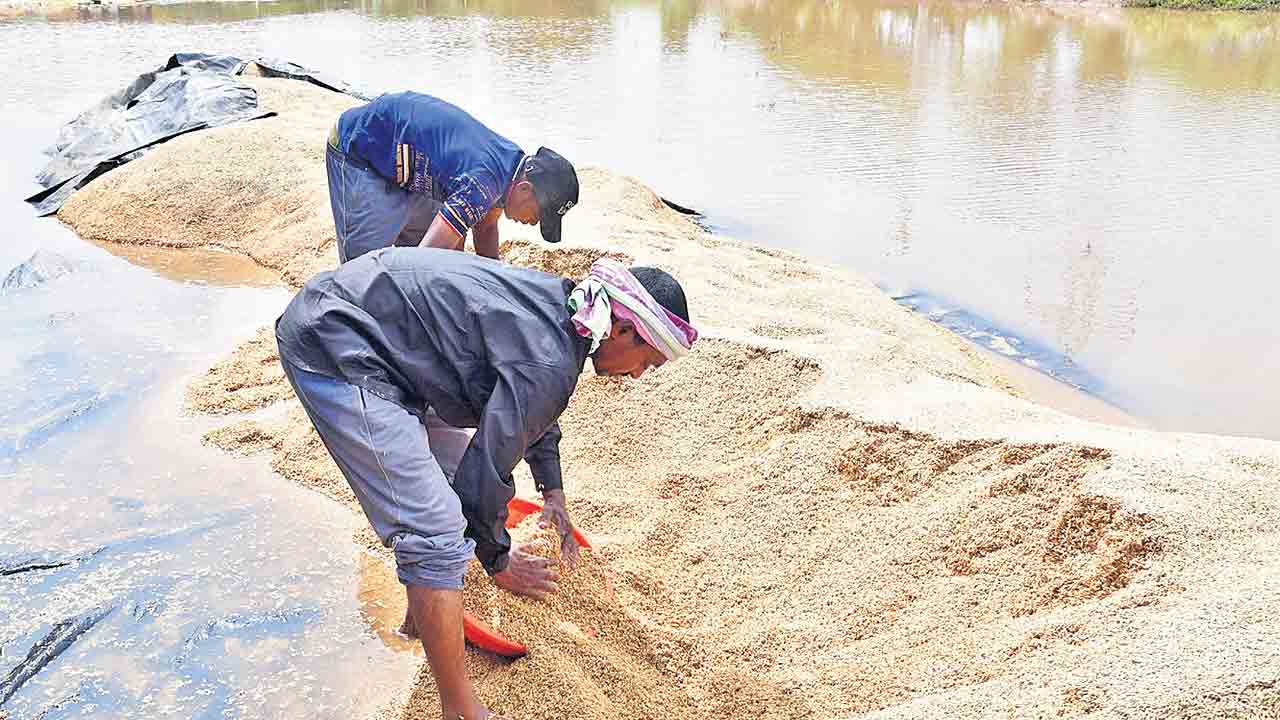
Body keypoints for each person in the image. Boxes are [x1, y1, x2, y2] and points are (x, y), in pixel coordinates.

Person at [274, 249, 697, 720]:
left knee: (448, 492)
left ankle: (420, 616)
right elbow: (486, 473)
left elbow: (533, 412)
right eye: (647, 361)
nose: (637, 375)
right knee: (435, 528)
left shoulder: (563, 314)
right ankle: (460, 707)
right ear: (622, 330)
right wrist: (498, 561)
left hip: (382, 339)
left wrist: (552, 492)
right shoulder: (552, 359)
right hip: (337, 343)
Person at [325, 91, 579, 263]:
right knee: (364, 274)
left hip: (406, 164)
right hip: (361, 152)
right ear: (524, 189)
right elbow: (426, 260)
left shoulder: (510, 167)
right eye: (539, 214)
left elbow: (486, 227)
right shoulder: (482, 184)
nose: (534, 223)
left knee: (445, 257)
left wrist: (496, 285)